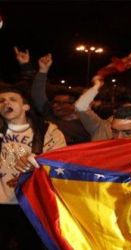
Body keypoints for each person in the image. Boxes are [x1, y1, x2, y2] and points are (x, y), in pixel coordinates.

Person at [0, 87, 66, 248]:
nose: (6, 103)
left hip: (31, 203)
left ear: (26, 106)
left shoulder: (48, 132)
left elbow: (60, 164)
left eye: (12, 99)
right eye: (1, 101)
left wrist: (33, 173)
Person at [31, 53, 90, 145]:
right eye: (54, 102)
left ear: (74, 105)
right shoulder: (50, 116)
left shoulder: (88, 125)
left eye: (60, 103)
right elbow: (37, 95)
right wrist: (43, 70)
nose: (54, 105)